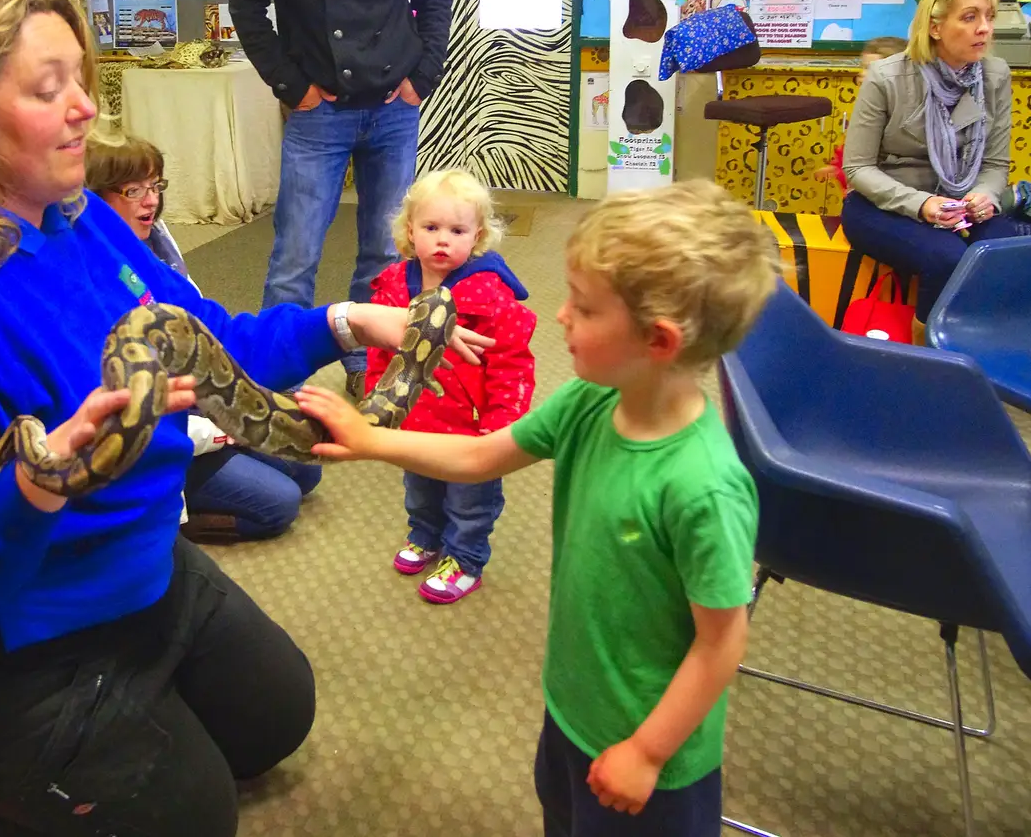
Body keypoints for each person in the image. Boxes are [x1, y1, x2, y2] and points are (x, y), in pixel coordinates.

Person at [0, 0, 492, 837]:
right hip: (7, 636)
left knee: (277, 716)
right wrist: (41, 484)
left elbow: (213, 339)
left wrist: (348, 320)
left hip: (138, 561)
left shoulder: (76, 217)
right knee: (193, 819)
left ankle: (84, 744)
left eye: (82, 78)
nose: (86, 107)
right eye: (50, 90)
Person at [296, 180, 778, 836]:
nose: (558, 318)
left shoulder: (702, 485)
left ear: (659, 341)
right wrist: (371, 439)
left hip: (652, 751)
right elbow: (480, 456)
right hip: (574, 703)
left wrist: (647, 751)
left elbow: (722, 643)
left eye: (583, 308)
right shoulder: (589, 402)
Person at [230, 0, 452, 397]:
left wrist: (420, 80)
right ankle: (272, 385)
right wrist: (291, 86)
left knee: (384, 255)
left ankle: (367, 364)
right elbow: (247, 4)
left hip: (391, 111)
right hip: (317, 111)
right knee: (295, 257)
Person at [86, 136, 323, 543]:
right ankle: (182, 523)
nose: (150, 202)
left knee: (307, 468)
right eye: (133, 190)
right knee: (278, 503)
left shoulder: (158, 249)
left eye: (155, 186)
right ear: (96, 198)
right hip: (172, 433)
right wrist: (221, 432)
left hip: (205, 407)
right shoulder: (96, 274)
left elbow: (211, 331)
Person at [372, 169, 536, 604]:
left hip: (471, 429)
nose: (443, 239)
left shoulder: (490, 295)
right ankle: (425, 536)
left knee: (470, 501)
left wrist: (504, 423)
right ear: (410, 231)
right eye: (431, 228)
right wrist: (377, 394)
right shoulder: (392, 287)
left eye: (457, 230)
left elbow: (512, 363)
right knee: (419, 488)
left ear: (477, 235)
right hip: (416, 420)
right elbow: (378, 348)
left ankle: (464, 559)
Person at [841, 0, 1031, 322]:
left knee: (1003, 249)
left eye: (989, 17)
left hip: (960, 204)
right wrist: (923, 205)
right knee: (947, 256)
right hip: (884, 205)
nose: (985, 29)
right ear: (935, 27)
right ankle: (931, 352)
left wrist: (985, 197)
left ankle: (983, 342)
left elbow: (995, 164)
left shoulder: (994, 75)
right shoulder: (887, 77)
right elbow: (858, 169)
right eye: (970, 17)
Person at [816, 36, 906, 192]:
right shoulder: (867, 106)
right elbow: (855, 150)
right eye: (863, 67)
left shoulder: (898, 116)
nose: (862, 74)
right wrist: (837, 168)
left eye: (871, 69)